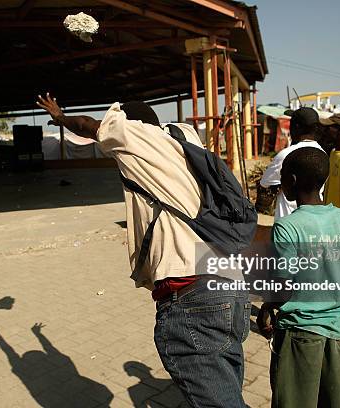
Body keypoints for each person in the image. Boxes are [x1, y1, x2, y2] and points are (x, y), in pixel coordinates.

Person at [37, 94, 251, 407]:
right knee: (226, 389)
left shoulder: (135, 136)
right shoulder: (184, 139)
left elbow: (87, 125)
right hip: (230, 283)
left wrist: (60, 117)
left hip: (191, 291)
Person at [257, 147, 340, 408]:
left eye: (282, 178)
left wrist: (267, 307)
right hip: (338, 332)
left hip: (298, 334)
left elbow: (283, 287)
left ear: (290, 181)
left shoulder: (287, 226)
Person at [260, 107, 324, 219]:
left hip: (288, 221)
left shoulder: (285, 155)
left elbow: (265, 183)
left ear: (296, 127)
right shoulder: (323, 154)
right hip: (314, 220)